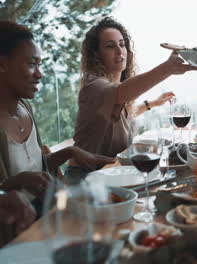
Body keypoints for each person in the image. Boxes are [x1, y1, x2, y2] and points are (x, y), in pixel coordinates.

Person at [0, 21, 115, 213]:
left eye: (40, 65)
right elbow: (20, 181)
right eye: (31, 64)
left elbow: (38, 171)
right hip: (16, 231)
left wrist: (70, 152)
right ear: (2, 64)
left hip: (47, 213)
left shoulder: (25, 107)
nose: (40, 74)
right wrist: (14, 183)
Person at [72, 17, 197, 161]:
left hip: (113, 172)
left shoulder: (116, 90)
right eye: (110, 46)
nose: (119, 50)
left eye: (122, 44)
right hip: (87, 177)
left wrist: (152, 104)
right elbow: (121, 92)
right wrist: (167, 68)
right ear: (96, 54)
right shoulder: (94, 87)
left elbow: (124, 115)